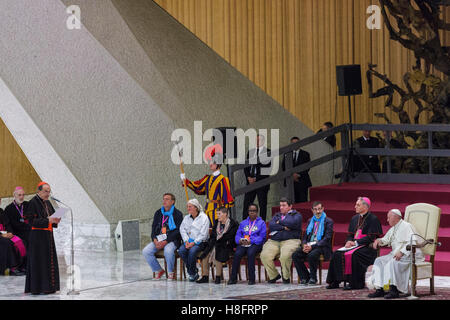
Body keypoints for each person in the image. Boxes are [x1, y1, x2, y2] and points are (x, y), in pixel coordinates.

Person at [326, 197, 382, 290]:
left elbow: (371, 237)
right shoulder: (354, 218)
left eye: (358, 205)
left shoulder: (373, 219)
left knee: (354, 255)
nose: (355, 206)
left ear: (365, 206)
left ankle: (355, 283)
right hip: (354, 245)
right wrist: (348, 241)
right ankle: (335, 281)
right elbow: (350, 235)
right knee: (336, 254)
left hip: (367, 248)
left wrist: (356, 242)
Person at [367, 209, 424, 299]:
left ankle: (394, 290)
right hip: (395, 254)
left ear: (395, 217)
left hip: (409, 255)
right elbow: (386, 240)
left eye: (389, 217)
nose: (387, 220)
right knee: (379, 260)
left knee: (393, 262)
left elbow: (412, 242)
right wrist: (378, 240)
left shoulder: (406, 226)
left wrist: (402, 252)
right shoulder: (393, 228)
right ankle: (379, 289)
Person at [181, 145, 234, 227]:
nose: (210, 163)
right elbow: (198, 187)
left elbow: (226, 199)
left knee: (216, 231)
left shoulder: (223, 179)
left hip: (217, 211)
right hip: (207, 210)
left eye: (213, 162)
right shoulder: (208, 178)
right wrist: (186, 181)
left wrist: (224, 214)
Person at [24, 182, 61, 294]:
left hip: (48, 238)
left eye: (49, 191)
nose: (48, 194)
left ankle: (50, 287)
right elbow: (30, 222)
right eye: (45, 191)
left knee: (49, 263)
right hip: (37, 239)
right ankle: (38, 288)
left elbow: (52, 218)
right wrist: (48, 220)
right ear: (39, 191)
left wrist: (56, 220)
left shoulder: (48, 203)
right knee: (39, 263)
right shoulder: (32, 203)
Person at [142, 193, 183, 281]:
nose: (164, 201)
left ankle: (170, 272)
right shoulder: (158, 213)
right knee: (146, 251)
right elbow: (153, 228)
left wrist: (166, 241)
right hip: (159, 239)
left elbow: (178, 231)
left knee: (168, 250)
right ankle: (158, 270)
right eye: (163, 199)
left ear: (173, 202)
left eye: (167, 199)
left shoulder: (178, 214)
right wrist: (155, 239)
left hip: (172, 240)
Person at [261, 197, 302, 284]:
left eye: (284, 205)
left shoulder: (297, 215)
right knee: (264, 255)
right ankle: (274, 275)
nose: (281, 208)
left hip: (291, 240)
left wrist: (279, 222)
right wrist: (283, 227)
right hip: (275, 240)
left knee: (285, 256)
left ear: (290, 206)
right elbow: (271, 225)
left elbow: (292, 223)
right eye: (280, 205)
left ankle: (286, 276)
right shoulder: (277, 215)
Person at [292, 201, 333, 285]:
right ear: (312, 210)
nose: (318, 211)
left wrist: (313, 246)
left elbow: (327, 238)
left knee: (312, 255)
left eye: (319, 209)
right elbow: (305, 237)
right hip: (310, 244)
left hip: (321, 246)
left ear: (323, 209)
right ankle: (305, 277)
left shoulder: (328, 221)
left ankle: (313, 278)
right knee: (295, 255)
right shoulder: (310, 221)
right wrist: (304, 245)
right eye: (315, 209)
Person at [196, 207, 239, 284]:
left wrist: (219, 241)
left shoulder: (233, 223)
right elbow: (213, 235)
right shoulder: (216, 223)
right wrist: (214, 242)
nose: (217, 216)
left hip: (227, 244)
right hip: (215, 243)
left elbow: (231, 236)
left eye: (219, 214)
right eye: (217, 214)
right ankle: (205, 276)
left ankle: (218, 276)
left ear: (225, 214)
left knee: (218, 252)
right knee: (205, 254)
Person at [228, 203, 267, 285]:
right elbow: (238, 235)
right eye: (250, 211)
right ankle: (233, 278)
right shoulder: (243, 223)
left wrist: (251, 240)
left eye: (254, 211)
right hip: (243, 243)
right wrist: (239, 241)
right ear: (248, 212)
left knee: (250, 253)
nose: (252, 212)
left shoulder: (261, 223)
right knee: (237, 254)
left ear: (257, 212)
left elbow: (262, 237)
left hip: (255, 244)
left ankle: (251, 279)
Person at [178, 198, 210, 282]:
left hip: (200, 242)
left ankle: (191, 273)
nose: (188, 208)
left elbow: (204, 234)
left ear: (196, 208)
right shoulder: (186, 218)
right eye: (187, 207)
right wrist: (186, 241)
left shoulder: (204, 218)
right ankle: (193, 271)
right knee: (181, 250)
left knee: (192, 251)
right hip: (188, 241)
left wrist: (194, 243)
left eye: (190, 207)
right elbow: (182, 229)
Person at [242, 134, 272, 221]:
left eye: (259, 140)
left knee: (262, 204)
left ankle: (262, 223)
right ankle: (245, 223)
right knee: (247, 203)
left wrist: (256, 179)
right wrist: (248, 177)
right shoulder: (251, 151)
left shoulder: (268, 152)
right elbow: (246, 166)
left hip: (261, 182)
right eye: (256, 140)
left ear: (263, 141)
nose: (257, 142)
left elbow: (267, 168)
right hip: (250, 182)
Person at [282, 137, 312, 203]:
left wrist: (297, 175)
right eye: (293, 143)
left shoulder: (305, 154)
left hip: (302, 181)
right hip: (290, 181)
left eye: (297, 143)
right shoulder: (287, 154)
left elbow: (307, 167)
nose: (295, 144)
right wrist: (292, 175)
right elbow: (284, 167)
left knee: (302, 202)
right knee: (290, 202)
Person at [0, 204, 26, 276]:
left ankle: (21, 266)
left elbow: (8, 224)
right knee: (7, 243)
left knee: (21, 241)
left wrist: (10, 232)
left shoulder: (1, 211)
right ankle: (12, 268)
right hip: (1, 236)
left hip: (5, 234)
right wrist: (1, 235)